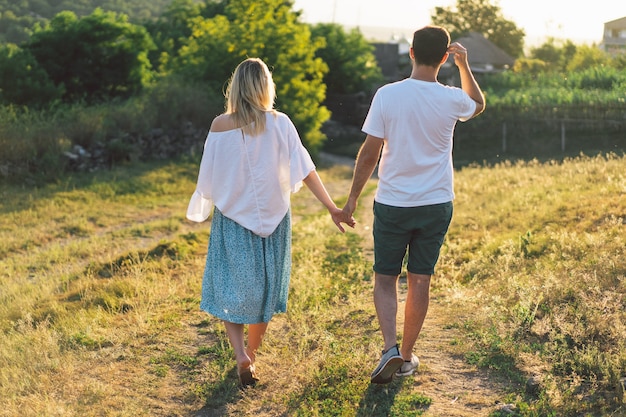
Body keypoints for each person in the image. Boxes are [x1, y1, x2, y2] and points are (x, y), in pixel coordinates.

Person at [186, 58, 355, 387]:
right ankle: (252, 353)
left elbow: (208, 177)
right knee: (263, 292)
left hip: (233, 219)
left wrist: (210, 202)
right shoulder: (281, 123)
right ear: (266, 87)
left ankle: (240, 355)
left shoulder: (220, 125)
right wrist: (332, 208)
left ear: (235, 87)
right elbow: (305, 169)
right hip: (275, 222)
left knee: (232, 287)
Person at [341, 26, 485, 384]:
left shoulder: (387, 95)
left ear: (410, 52)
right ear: (443, 58)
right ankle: (405, 356)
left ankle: (389, 347)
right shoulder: (452, 97)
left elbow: (369, 153)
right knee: (420, 280)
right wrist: (465, 65)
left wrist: (352, 198)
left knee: (385, 277)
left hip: (393, 203)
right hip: (436, 203)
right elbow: (478, 105)